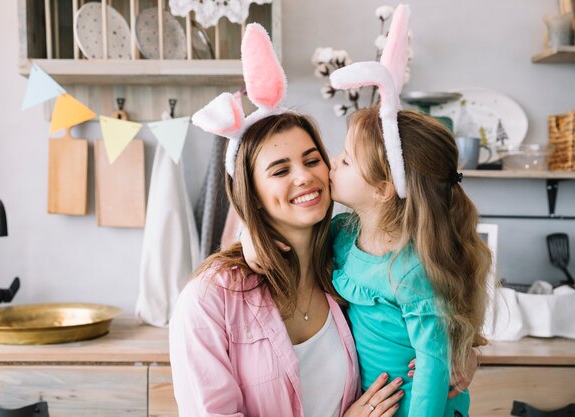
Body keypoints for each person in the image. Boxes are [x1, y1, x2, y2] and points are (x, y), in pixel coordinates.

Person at [241, 5, 490, 417]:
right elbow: (280, 233)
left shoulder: (411, 271)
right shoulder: (340, 232)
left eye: (345, 160)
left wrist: (464, 354)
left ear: (381, 189)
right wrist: (249, 236)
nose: (329, 164)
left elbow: (431, 369)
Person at [169, 23, 405, 417]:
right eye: (279, 170)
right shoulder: (211, 300)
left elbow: (427, 286)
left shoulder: (347, 261)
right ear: (253, 195)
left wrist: (461, 354)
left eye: (312, 159)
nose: (304, 176)